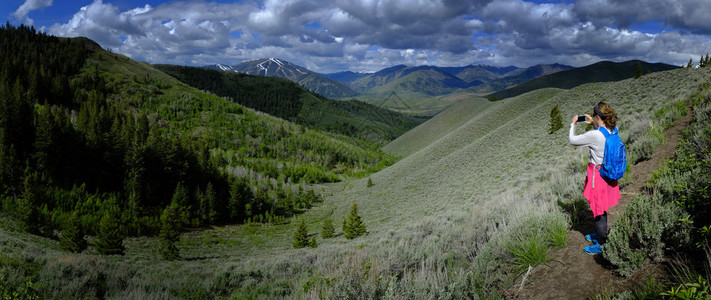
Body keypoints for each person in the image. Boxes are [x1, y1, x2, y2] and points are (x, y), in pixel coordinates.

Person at [568, 101, 621, 255]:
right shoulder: (613, 129)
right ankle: (600, 235)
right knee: (602, 208)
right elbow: (601, 136)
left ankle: (602, 244)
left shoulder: (594, 135)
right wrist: (594, 124)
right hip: (608, 174)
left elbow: (573, 140)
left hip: (597, 176)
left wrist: (573, 124)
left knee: (598, 212)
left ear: (597, 116)